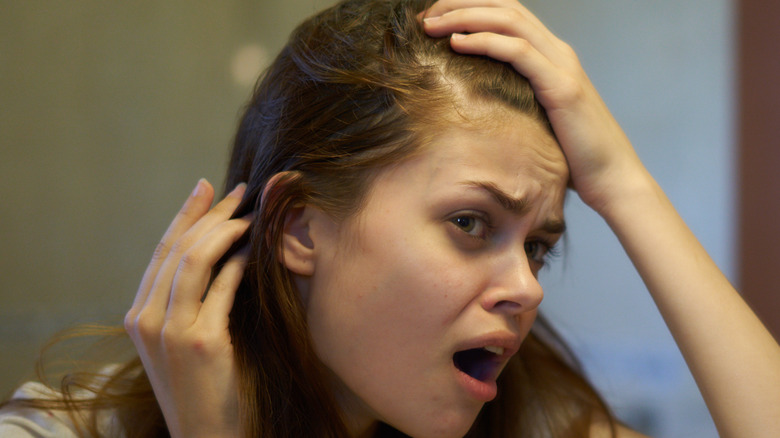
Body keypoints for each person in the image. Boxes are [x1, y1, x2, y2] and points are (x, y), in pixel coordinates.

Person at [2, 0, 779, 437]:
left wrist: (624, 185)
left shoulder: (538, 421)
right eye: (472, 223)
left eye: (538, 247)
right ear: (300, 226)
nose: (527, 290)